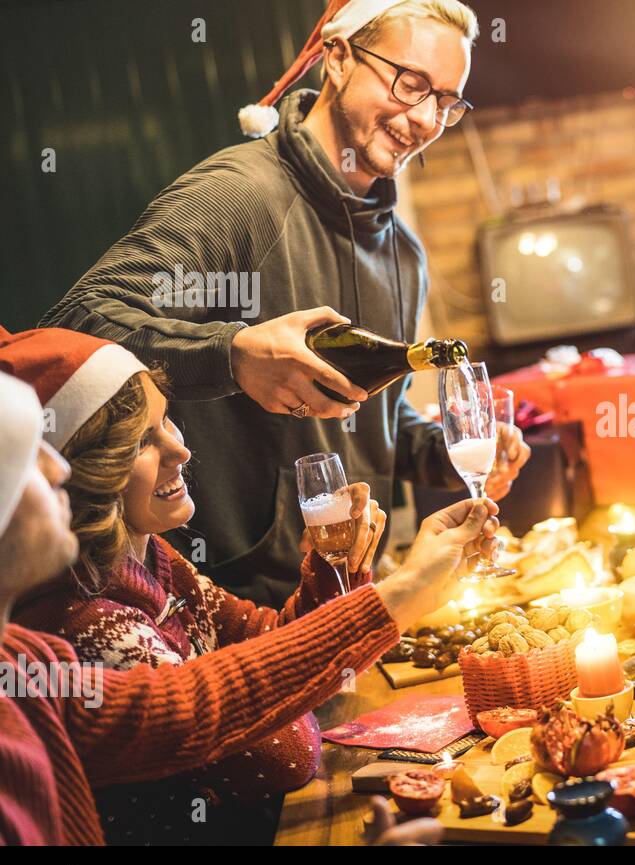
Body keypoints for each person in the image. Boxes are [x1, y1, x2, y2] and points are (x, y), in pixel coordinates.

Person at [39, 0, 528, 606]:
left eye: (446, 102)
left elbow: (366, 412)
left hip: (345, 599)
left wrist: (448, 457)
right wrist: (234, 356)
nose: (426, 118)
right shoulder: (239, 197)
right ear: (340, 58)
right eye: (411, 84)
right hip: (235, 610)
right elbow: (73, 329)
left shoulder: (401, 251)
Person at [0, 366, 498, 844]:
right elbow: (276, 747)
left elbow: (259, 647)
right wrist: (400, 595)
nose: (54, 467)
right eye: (139, 441)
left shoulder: (135, 569)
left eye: (167, 420)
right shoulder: (77, 624)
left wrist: (336, 573)